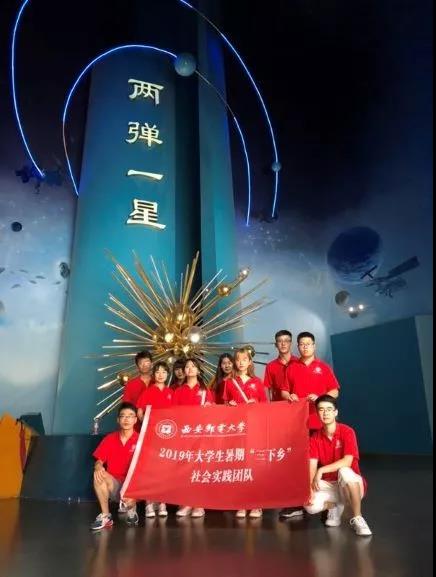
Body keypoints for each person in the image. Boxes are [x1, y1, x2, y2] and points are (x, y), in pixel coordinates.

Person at [305, 395, 372, 536]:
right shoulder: (315, 437)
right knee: (309, 505)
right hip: (330, 484)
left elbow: (347, 461)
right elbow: (312, 465)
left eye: (329, 409)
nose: (325, 413)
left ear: (336, 412)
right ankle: (335, 505)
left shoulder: (347, 431)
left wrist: (321, 470)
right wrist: (309, 488)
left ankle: (358, 517)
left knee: (344, 471)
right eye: (321, 410)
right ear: (317, 413)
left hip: (351, 484)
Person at [223, 347, 266, 520]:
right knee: (239, 463)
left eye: (244, 359)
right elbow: (224, 406)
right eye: (238, 359)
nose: (241, 362)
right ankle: (241, 501)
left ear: (249, 362)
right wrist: (230, 406)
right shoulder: (229, 382)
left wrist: (256, 403)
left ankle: (256, 502)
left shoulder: (257, 382)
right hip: (236, 429)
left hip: (254, 427)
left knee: (254, 464)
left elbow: (265, 406)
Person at [173, 358, 214, 519]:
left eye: (193, 366)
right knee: (184, 468)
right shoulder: (178, 391)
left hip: (201, 435)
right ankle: (185, 502)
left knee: (200, 468)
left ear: (198, 370)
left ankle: (199, 503)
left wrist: (210, 408)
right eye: (187, 366)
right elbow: (173, 414)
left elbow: (212, 414)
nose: (189, 369)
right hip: (184, 435)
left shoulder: (205, 391)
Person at [90, 402, 139, 530]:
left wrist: (135, 494)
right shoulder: (110, 438)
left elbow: (146, 471)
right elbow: (99, 461)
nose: (126, 419)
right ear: (118, 420)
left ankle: (132, 509)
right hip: (114, 485)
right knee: (98, 474)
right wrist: (98, 466)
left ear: (135, 420)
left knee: (132, 492)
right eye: (123, 416)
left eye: (130, 416)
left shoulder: (141, 440)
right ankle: (106, 516)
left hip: (132, 487)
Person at [281, 332, 340, 432]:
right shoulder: (291, 368)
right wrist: (289, 396)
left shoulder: (324, 367)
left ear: (314, 346)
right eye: (302, 344)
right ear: (298, 347)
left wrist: (320, 399)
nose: (305, 347)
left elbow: (335, 392)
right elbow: (284, 391)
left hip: (320, 419)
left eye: (308, 344)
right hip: (298, 419)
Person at [136, 361, 173, 519]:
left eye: (164, 372)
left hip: (167, 436)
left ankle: (162, 501)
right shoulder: (148, 391)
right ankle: (149, 502)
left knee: (163, 469)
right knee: (149, 469)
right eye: (157, 372)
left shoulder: (171, 392)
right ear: (153, 374)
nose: (160, 375)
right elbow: (139, 412)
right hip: (151, 435)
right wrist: (146, 423)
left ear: (167, 374)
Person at [264, 330, 299, 402]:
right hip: (278, 406)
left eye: (286, 341)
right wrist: (268, 405)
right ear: (276, 344)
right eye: (280, 341)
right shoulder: (270, 366)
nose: (283, 344)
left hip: (298, 404)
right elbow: (267, 388)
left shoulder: (299, 363)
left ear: (291, 343)